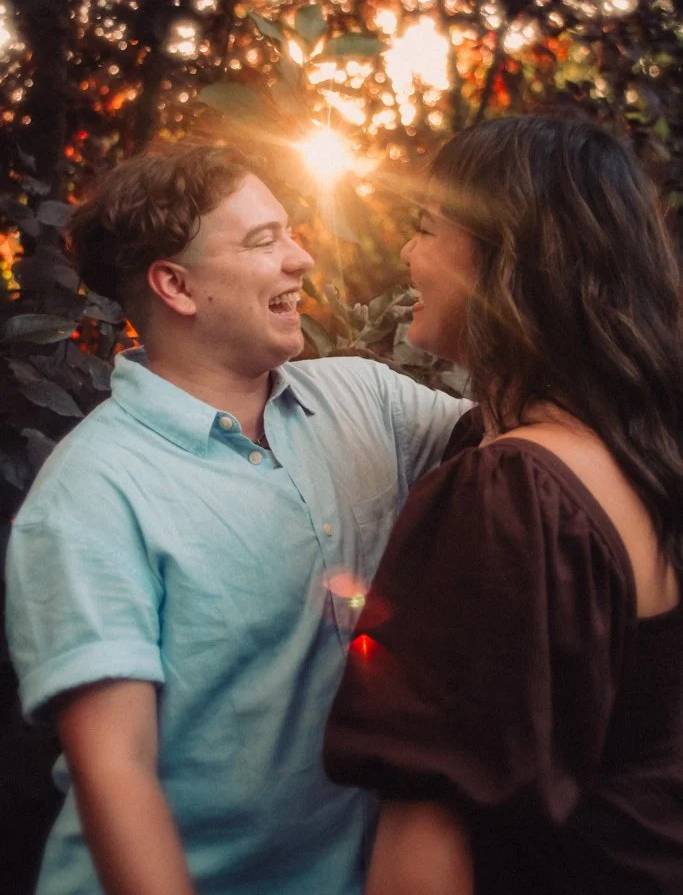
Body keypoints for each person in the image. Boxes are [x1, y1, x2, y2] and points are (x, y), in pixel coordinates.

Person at [5, 144, 470, 895]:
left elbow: (529, 448)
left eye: (291, 233)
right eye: (264, 242)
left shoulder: (365, 400)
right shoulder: (90, 496)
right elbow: (114, 770)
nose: (302, 260)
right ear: (175, 285)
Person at [324, 115, 683, 895]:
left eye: (425, 228)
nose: (407, 254)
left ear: (504, 255)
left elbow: (429, 826)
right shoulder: (639, 454)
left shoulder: (514, 493)